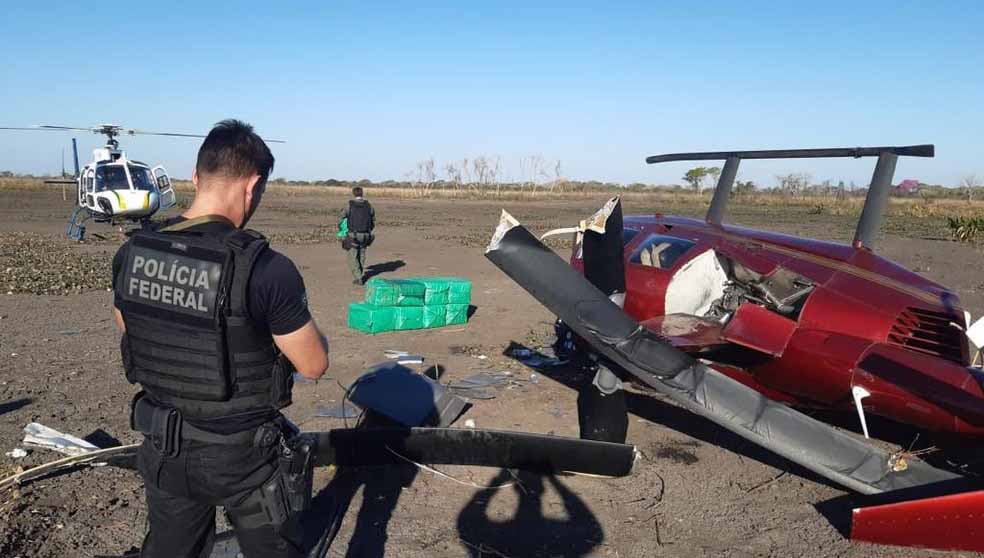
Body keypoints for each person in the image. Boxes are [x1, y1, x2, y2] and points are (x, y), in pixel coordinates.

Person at [111, 119, 330, 558]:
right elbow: (313, 364)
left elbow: (128, 326)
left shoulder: (133, 252)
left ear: (196, 177)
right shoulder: (267, 268)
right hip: (243, 460)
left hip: (164, 446)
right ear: (253, 185)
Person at [341, 186, 375, 284]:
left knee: (352, 256)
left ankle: (358, 276)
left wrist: (343, 232)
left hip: (353, 235)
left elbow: (342, 217)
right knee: (362, 254)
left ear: (353, 194)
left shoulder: (349, 205)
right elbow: (373, 220)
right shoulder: (369, 206)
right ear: (362, 194)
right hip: (366, 235)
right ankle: (359, 274)